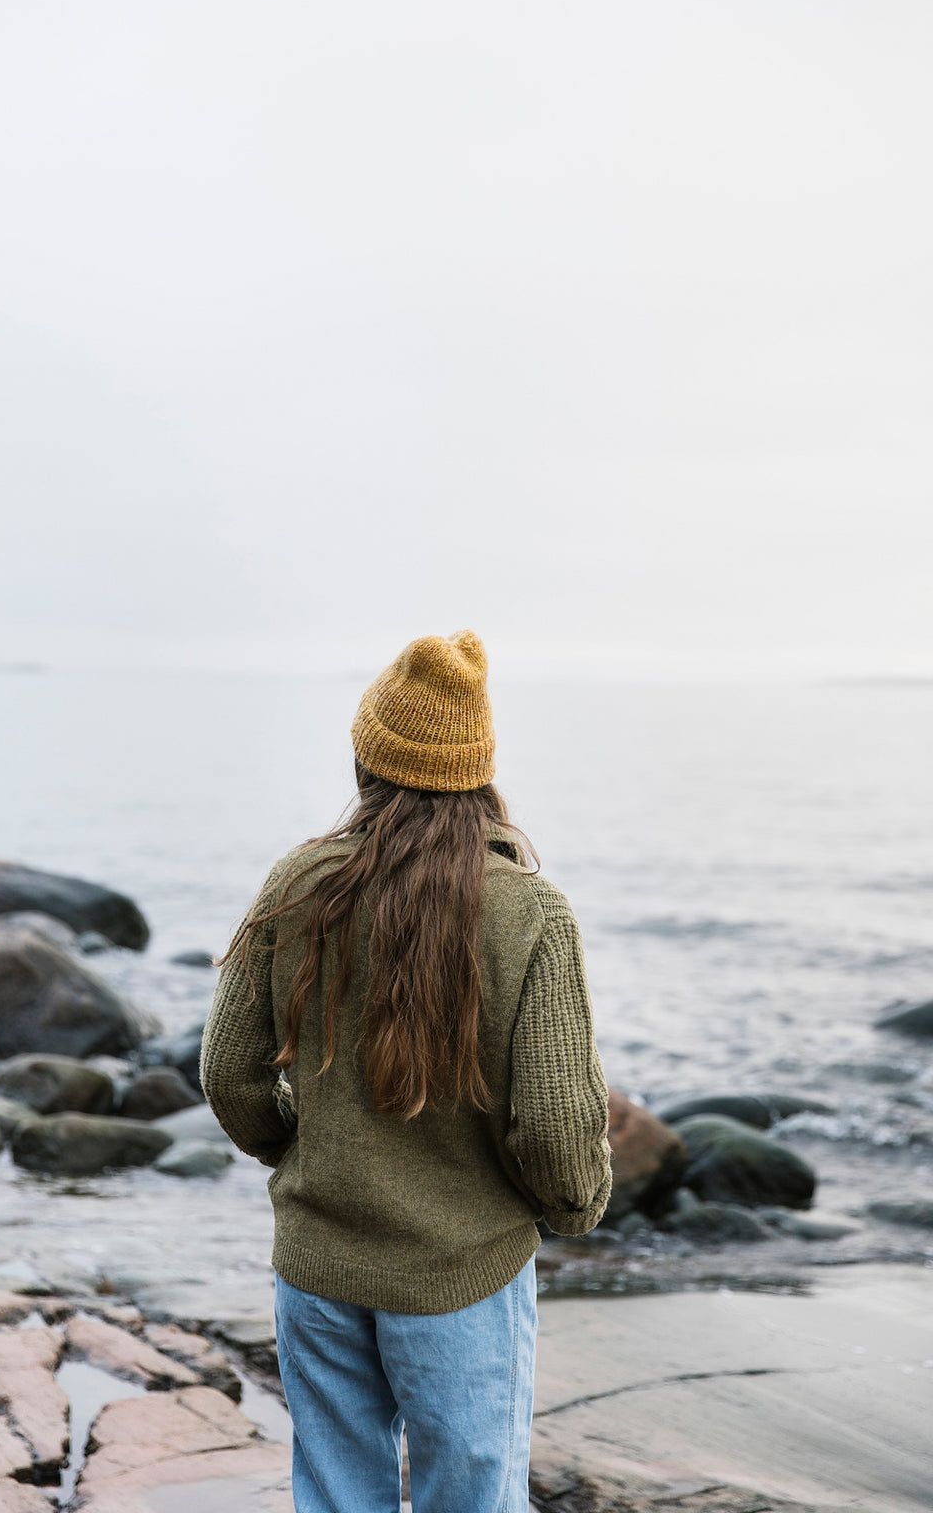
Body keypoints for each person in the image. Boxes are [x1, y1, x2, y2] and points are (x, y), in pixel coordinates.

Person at [200, 629, 613, 1513]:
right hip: (460, 1276)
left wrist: (312, 1157)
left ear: (364, 759)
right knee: (471, 1497)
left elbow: (229, 1076)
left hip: (318, 1266)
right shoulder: (530, 911)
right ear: (481, 773)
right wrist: (575, 1208)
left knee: (337, 1494)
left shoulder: (297, 881)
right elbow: (551, 1122)